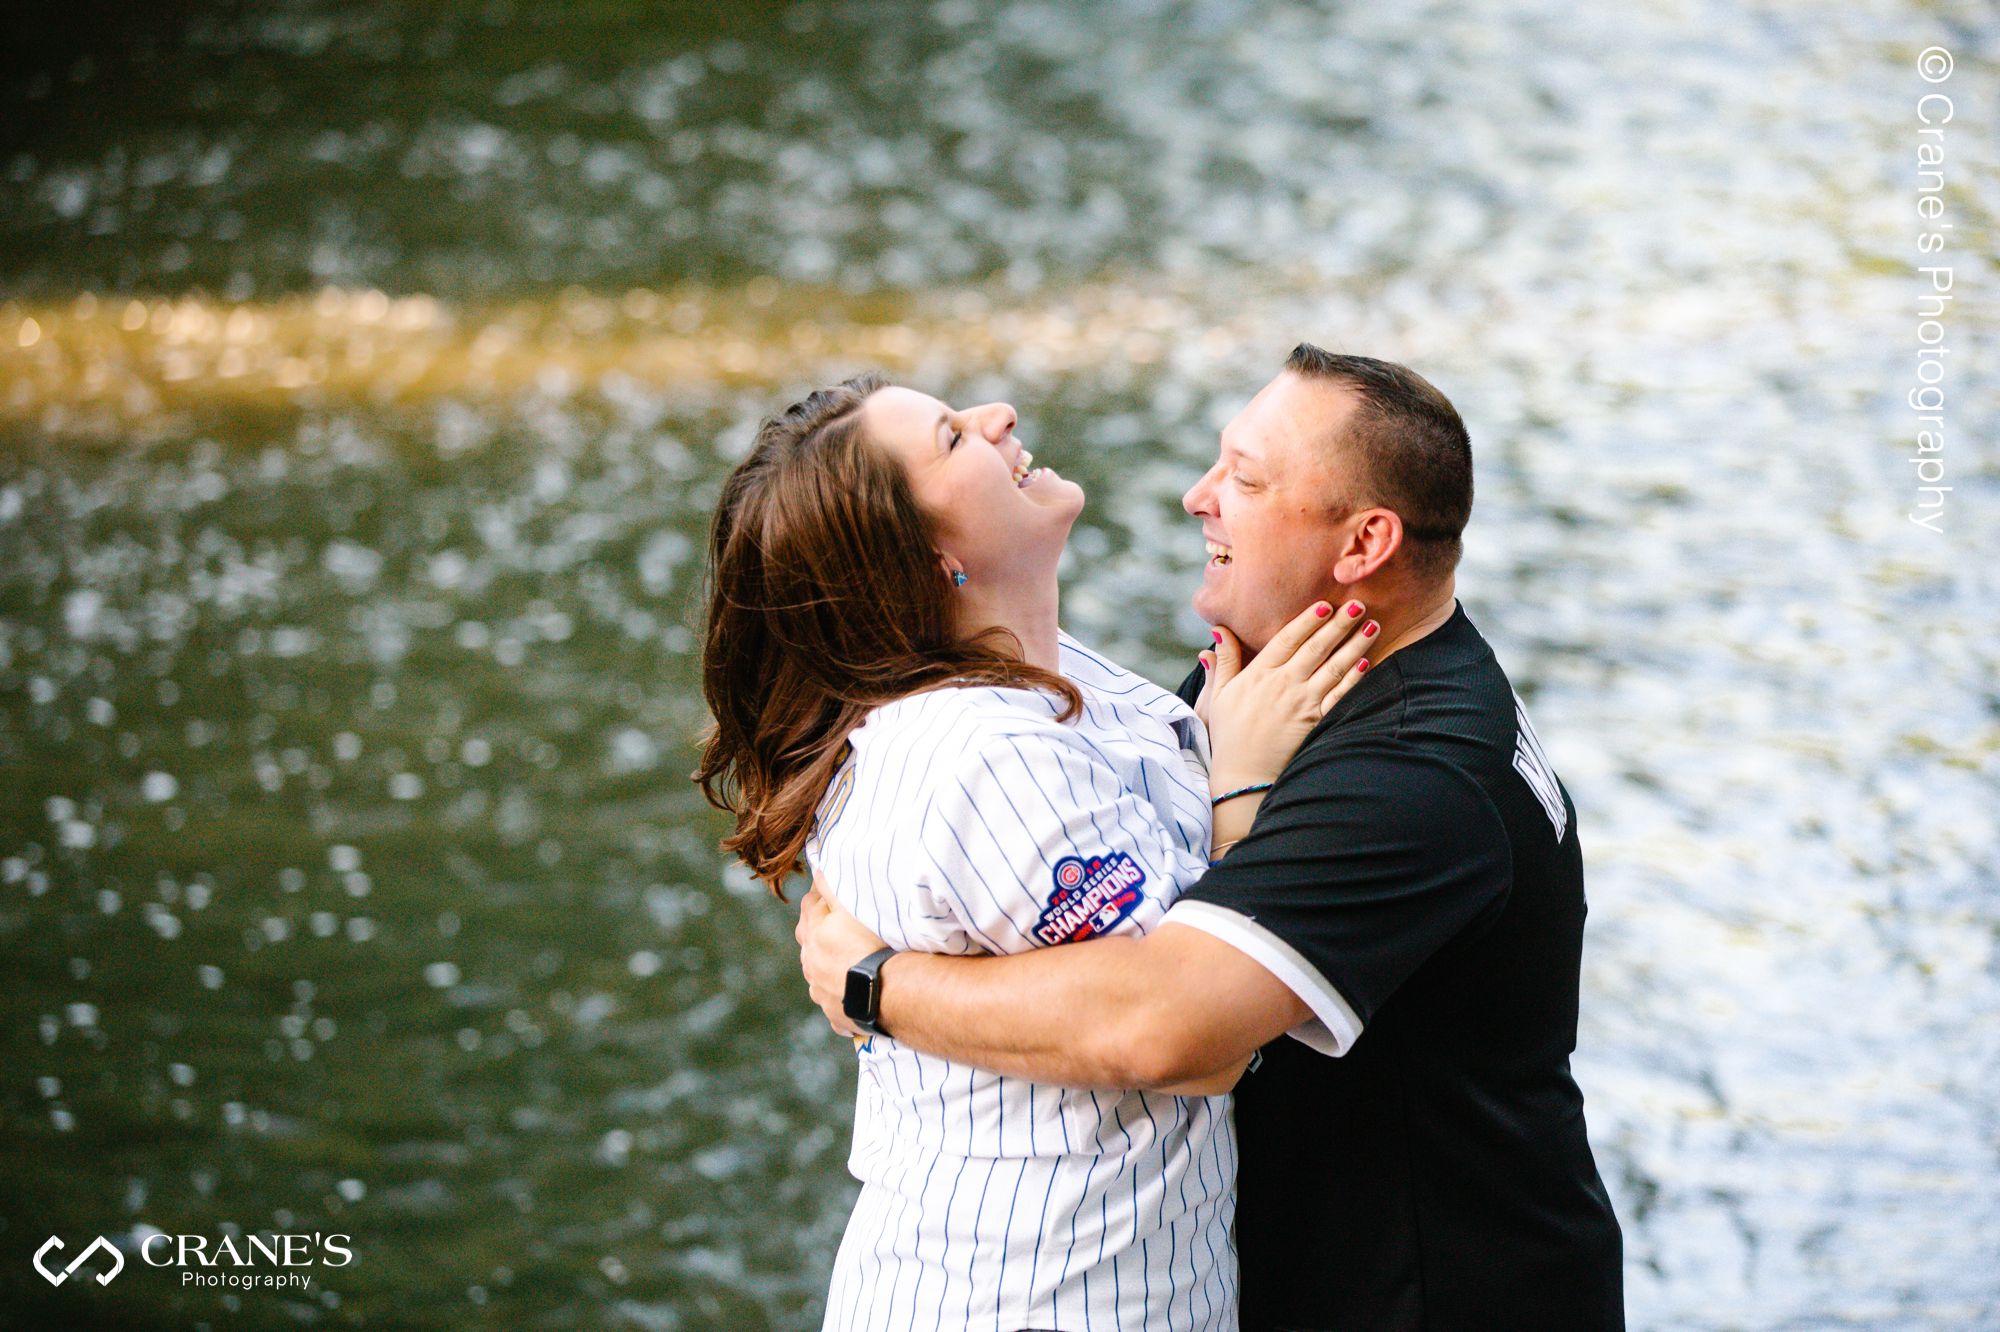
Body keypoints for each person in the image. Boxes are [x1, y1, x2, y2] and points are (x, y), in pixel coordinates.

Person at [797, 346, 1627, 1330]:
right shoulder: (1280, 681)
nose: (1198, 498)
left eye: (1242, 477)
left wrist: (876, 985)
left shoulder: (1409, 776)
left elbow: (1166, 1025)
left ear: (1361, 545)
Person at [694, 372, 1374, 1331]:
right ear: (934, 560)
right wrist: (1242, 788)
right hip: (1043, 1295)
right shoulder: (986, 754)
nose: (996, 416)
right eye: (951, 439)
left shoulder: (1043, 672)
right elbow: (1194, 1043)